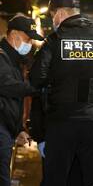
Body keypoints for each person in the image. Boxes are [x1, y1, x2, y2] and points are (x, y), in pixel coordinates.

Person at [29, 0, 93, 186]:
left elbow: (37, 78)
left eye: (53, 15)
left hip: (62, 121)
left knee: (56, 179)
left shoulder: (54, 41)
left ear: (61, 13)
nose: (53, 20)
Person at [0, 15, 44, 186]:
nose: (30, 44)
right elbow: (8, 86)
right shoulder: (2, 57)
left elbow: (9, 102)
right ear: (15, 35)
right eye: (28, 38)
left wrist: (17, 129)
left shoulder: (13, 60)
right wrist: (38, 88)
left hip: (5, 128)